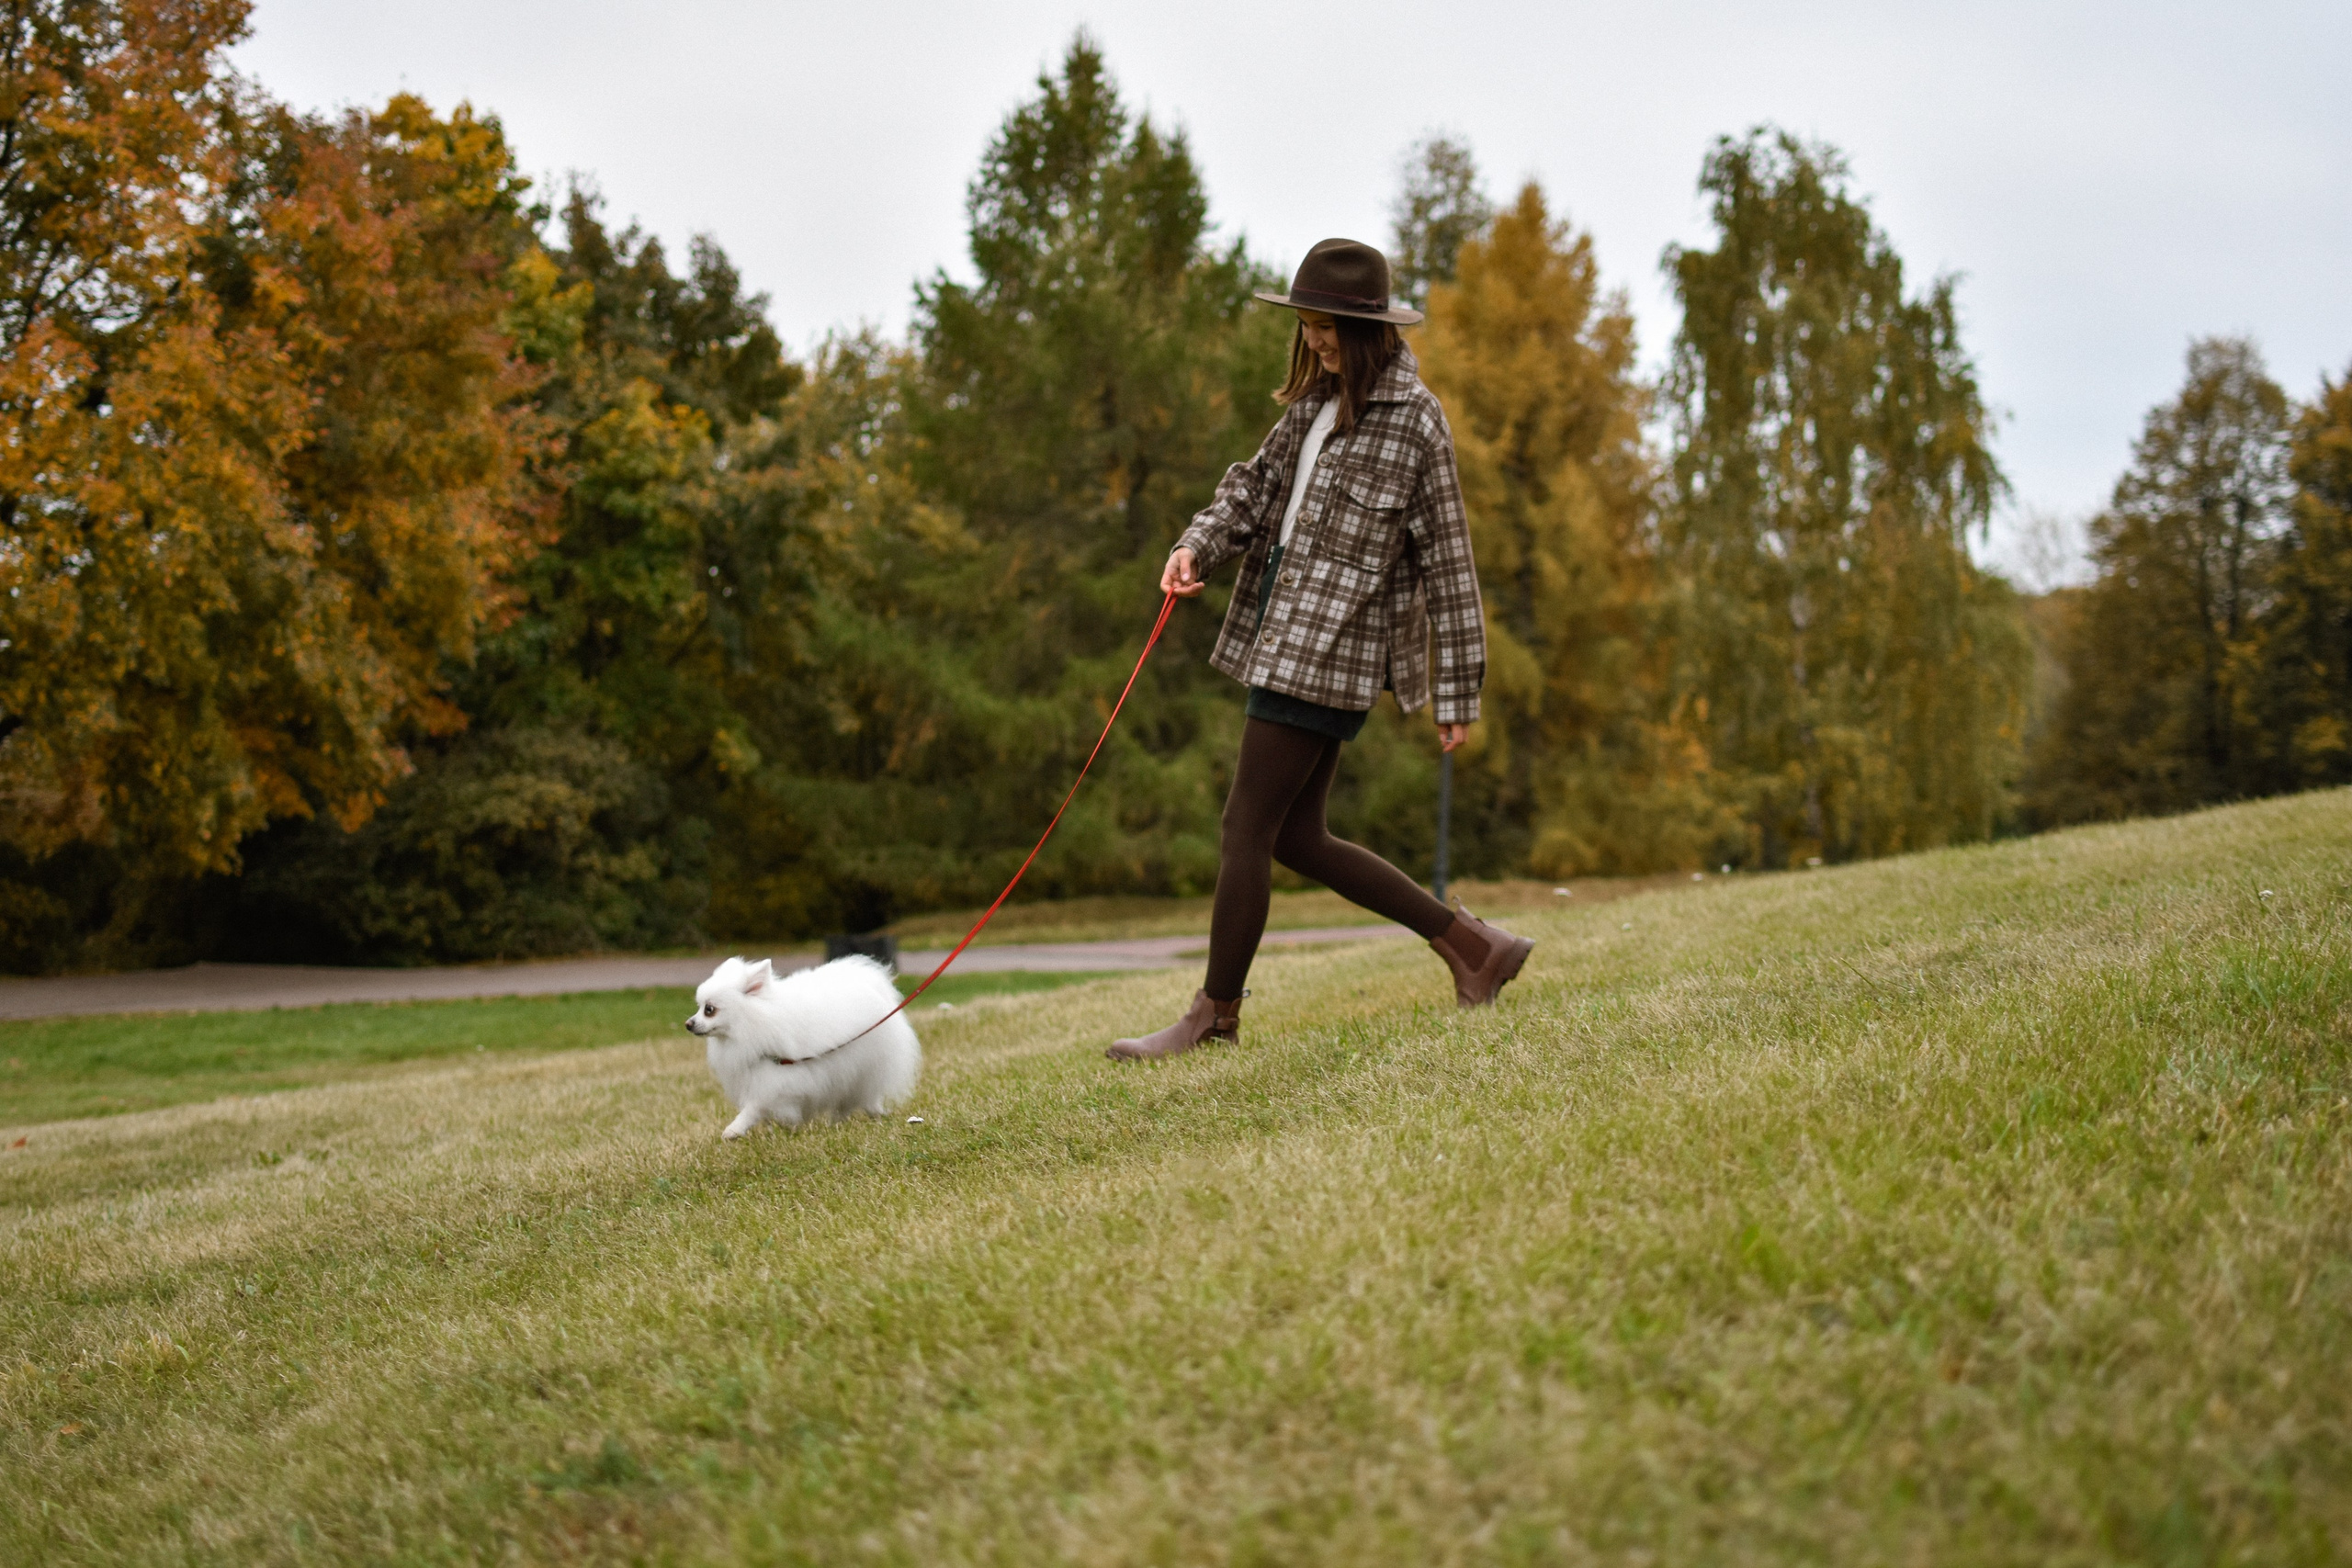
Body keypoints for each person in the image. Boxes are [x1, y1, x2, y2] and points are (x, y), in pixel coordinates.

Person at [1109, 237, 1533, 1062]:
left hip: (1333, 654)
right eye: (1307, 326)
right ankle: (1476, 949)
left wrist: (1458, 693)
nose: (1315, 341)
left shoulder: (1416, 422)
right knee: (1296, 837)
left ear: (1366, 326)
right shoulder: (1313, 404)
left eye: (1327, 327)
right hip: (1279, 637)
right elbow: (1252, 487)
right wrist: (1196, 545)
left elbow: (1450, 560)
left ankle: (1213, 1015)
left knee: (1243, 826)